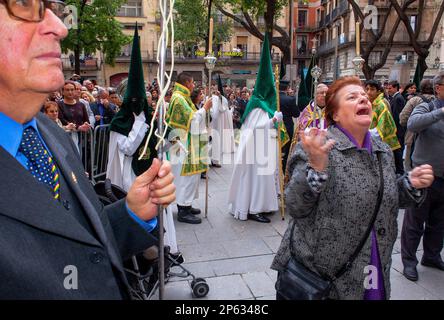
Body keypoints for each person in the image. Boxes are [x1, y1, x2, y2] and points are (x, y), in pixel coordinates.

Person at [0, 0, 175, 299]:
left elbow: (76, 254)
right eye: (24, 4)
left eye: (54, 8)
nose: (60, 27)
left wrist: (130, 214)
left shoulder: (49, 132)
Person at [271, 76, 434, 300]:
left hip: (373, 267)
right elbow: (296, 206)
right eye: (352, 97)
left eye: (364, 96)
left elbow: (379, 196)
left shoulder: (382, 150)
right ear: (335, 114)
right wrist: (317, 167)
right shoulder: (319, 147)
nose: (363, 99)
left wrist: (409, 184)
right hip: (326, 279)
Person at [401, 72, 444, 282]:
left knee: (439, 222)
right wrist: (441, 112)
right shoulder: (427, 106)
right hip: (423, 177)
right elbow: (412, 124)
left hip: (443, 178)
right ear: (439, 88)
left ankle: (432, 255)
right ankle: (409, 262)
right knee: (414, 222)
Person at [166, 73, 212, 224]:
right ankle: (183, 210)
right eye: (192, 82)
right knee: (185, 178)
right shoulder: (179, 99)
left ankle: (186, 204)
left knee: (190, 178)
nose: (193, 86)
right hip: (184, 145)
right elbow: (193, 121)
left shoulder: (181, 97)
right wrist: (204, 108)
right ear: (186, 82)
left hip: (189, 143)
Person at [284, 83, 328, 186]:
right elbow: (300, 133)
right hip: (308, 153)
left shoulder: (333, 111)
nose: (325, 95)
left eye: (327, 93)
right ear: (315, 95)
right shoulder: (307, 112)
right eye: (322, 93)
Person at [399, 79, 435, 171]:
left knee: (411, 169)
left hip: (413, 138)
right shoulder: (439, 101)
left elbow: (402, 119)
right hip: (435, 139)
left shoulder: (414, 100)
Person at [364, 80, 401, 151]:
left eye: (372, 89)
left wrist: (365, 134)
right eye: (367, 89)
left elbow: (382, 128)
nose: (368, 92)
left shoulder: (381, 105)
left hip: (380, 144)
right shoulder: (367, 103)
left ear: (378, 91)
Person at [386, 80, 406, 175]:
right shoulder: (394, 98)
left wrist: (393, 130)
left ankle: (400, 171)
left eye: (390, 88)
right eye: (387, 88)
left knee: (398, 151)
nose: (388, 90)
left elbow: (397, 116)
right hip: (396, 130)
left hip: (397, 130)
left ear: (395, 88)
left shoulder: (398, 98)